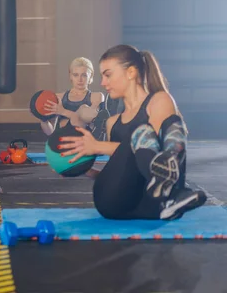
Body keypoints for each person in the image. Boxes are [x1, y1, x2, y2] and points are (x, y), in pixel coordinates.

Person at [58, 44, 207, 221]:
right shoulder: (112, 122)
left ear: (130, 73)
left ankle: (168, 197)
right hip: (114, 201)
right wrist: (86, 170)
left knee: (174, 125)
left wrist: (98, 146)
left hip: (149, 206)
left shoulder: (159, 101)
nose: (103, 83)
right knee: (142, 133)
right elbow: (122, 170)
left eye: (108, 75)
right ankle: (171, 193)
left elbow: (159, 153)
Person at [40, 57, 105, 137]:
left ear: (90, 76)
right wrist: (43, 120)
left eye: (84, 75)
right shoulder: (59, 97)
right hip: (62, 142)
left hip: (84, 143)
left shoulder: (96, 96)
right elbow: (49, 132)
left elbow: (91, 121)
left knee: (84, 109)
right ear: (70, 76)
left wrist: (63, 112)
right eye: (75, 75)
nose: (80, 79)